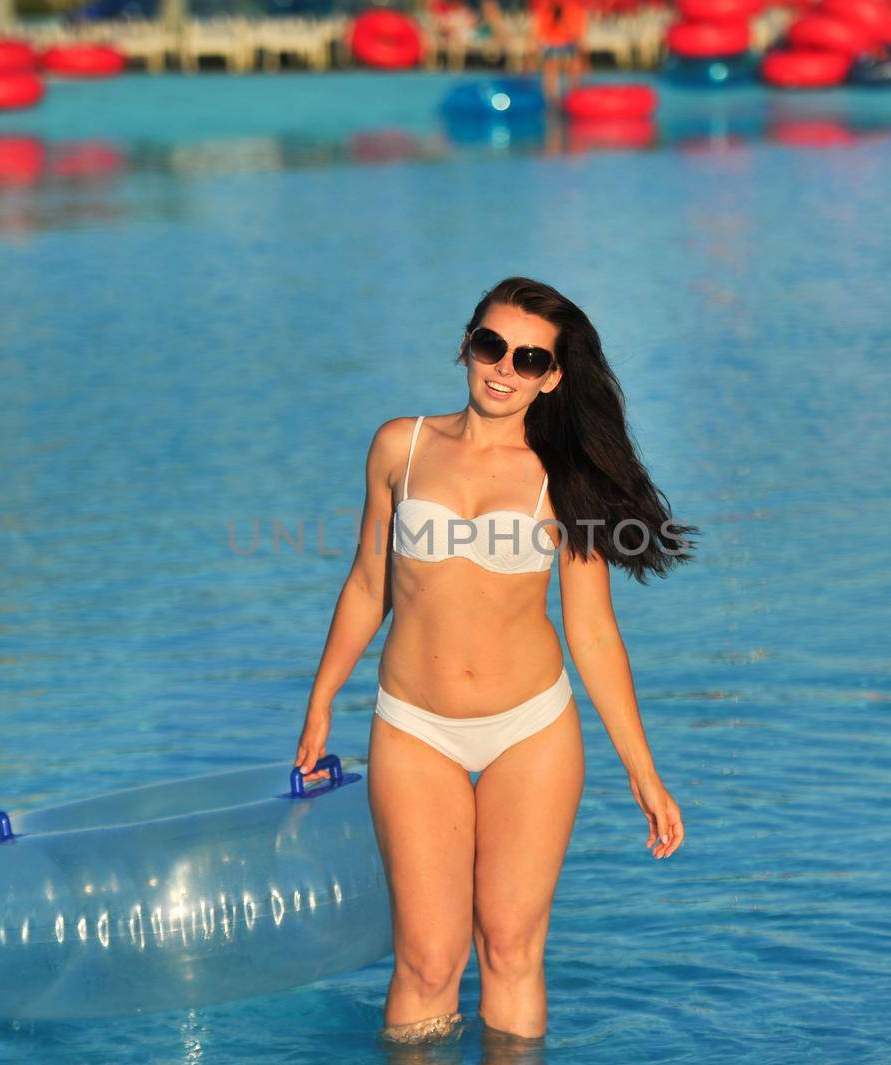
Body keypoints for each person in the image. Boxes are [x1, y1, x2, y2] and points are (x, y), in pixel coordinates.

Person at [294, 277, 695, 1046]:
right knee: (425, 958)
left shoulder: (564, 474)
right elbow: (368, 583)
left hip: (530, 728)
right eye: (490, 345)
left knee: (510, 950)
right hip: (414, 727)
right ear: (466, 345)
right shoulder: (399, 447)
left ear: (553, 375)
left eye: (528, 357)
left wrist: (643, 771)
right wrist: (320, 703)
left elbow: (594, 633)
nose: (502, 368)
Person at [529, 0, 588, 109]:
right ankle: (553, 98)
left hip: (566, 41)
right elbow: (540, 26)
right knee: (554, 69)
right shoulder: (547, 6)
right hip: (553, 41)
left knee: (571, 69)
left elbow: (578, 26)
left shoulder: (572, 6)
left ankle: (570, 96)